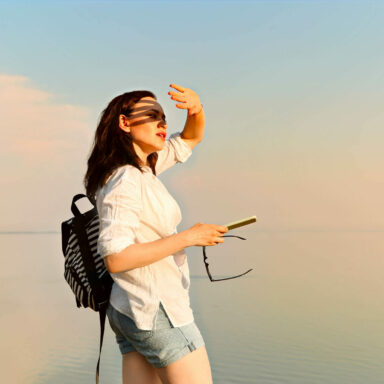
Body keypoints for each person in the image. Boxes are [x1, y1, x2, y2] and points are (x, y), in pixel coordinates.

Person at [84, 84, 228, 384]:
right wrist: (189, 237)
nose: (163, 123)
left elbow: (191, 137)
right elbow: (116, 258)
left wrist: (196, 109)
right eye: (152, 115)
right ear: (125, 123)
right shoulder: (126, 179)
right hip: (156, 310)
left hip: (130, 309)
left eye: (164, 116)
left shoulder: (141, 169)